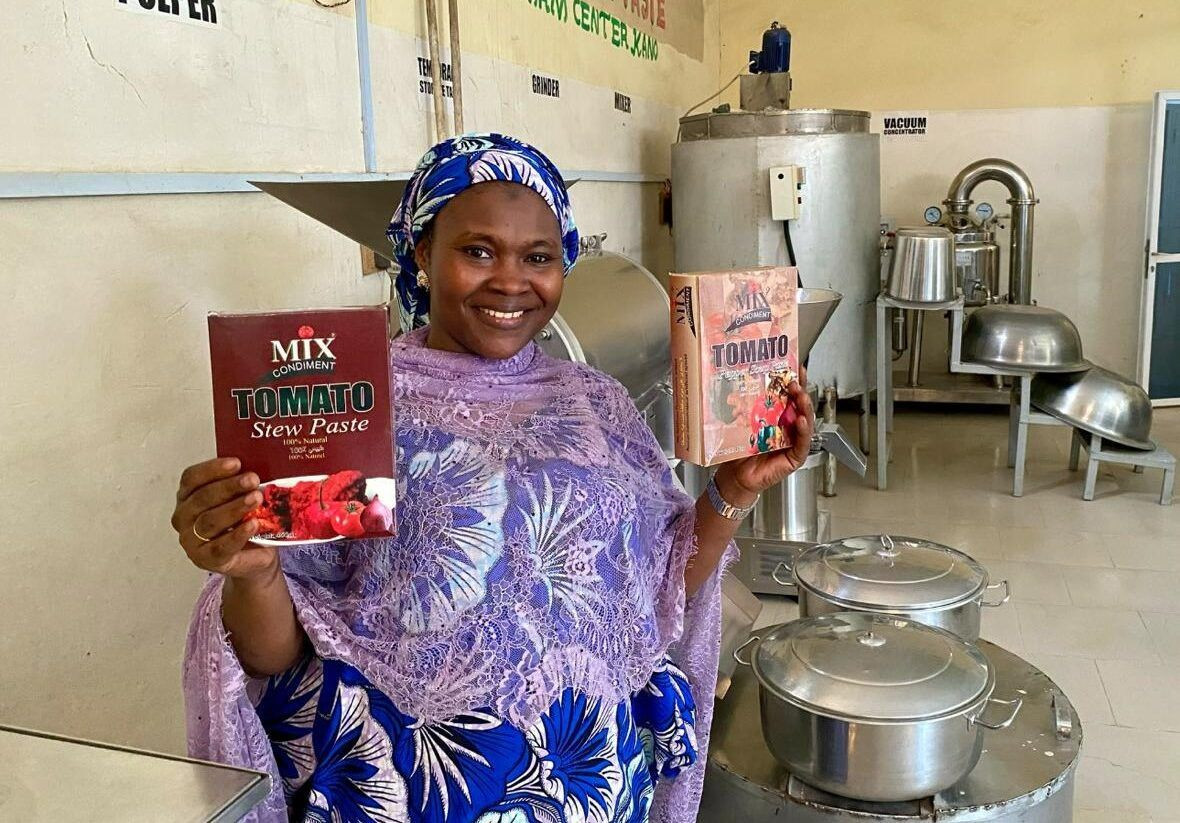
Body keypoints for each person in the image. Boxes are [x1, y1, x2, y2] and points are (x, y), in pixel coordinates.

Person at [174, 133, 814, 823]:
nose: (511, 281)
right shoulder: (352, 403)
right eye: (478, 251)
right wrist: (254, 572)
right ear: (423, 253)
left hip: (585, 779)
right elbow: (277, 657)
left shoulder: (596, 402)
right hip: (415, 793)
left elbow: (660, 586)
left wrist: (735, 488)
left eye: (538, 257)